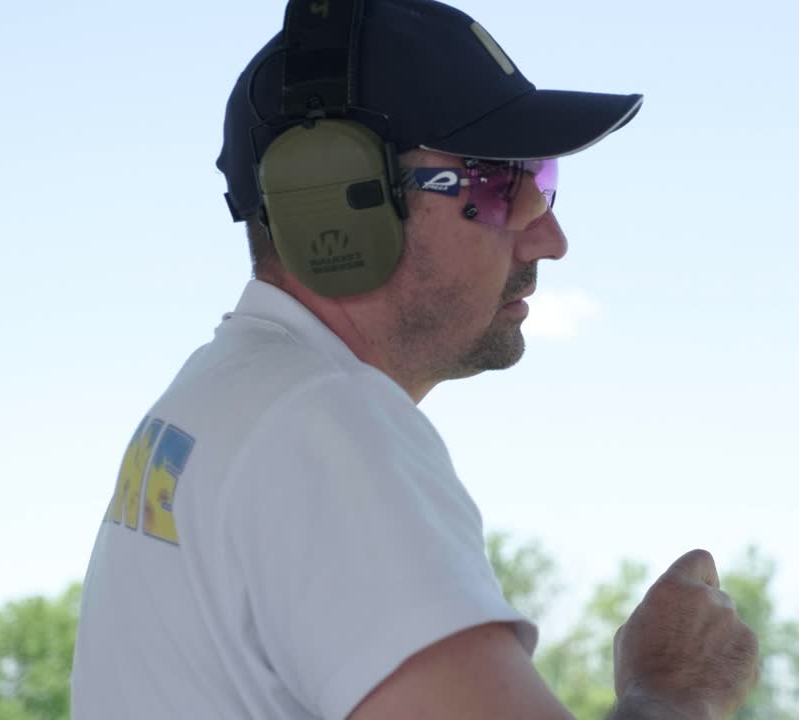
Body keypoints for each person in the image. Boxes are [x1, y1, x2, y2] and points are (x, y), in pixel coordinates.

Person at [70, 0, 759, 718]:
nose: (547, 239)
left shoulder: (224, 398)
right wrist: (679, 689)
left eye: (541, 180)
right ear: (335, 201)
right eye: (498, 186)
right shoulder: (328, 428)